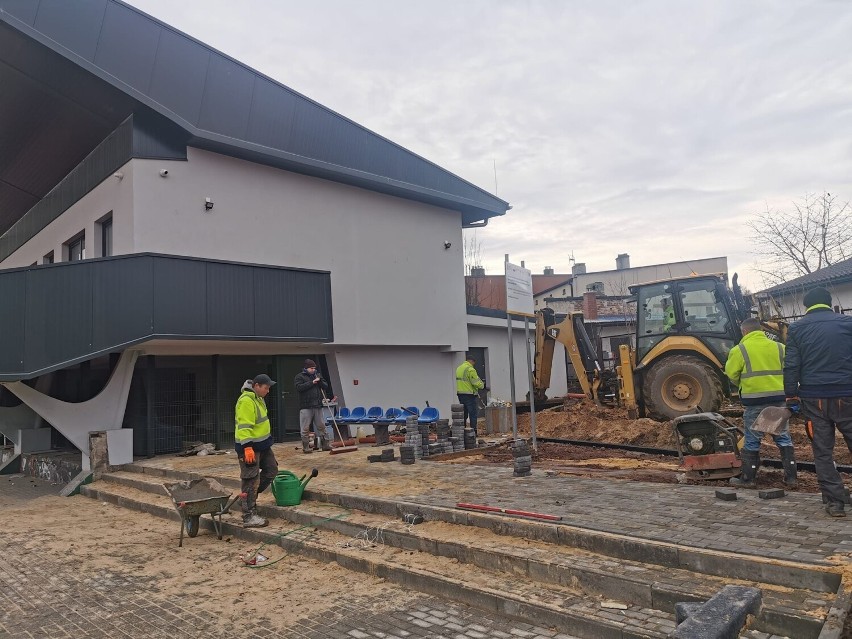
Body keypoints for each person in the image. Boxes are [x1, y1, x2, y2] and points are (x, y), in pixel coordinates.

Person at [784, 287, 852, 517]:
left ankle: (835, 502)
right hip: (847, 396)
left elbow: (792, 365)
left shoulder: (796, 329)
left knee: (823, 452)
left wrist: (791, 395)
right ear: (828, 302)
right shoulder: (847, 323)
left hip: (814, 399)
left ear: (807, 306)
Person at [724, 318, 797, 488]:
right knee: (783, 437)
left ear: (745, 332)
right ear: (761, 330)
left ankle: (748, 479)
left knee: (752, 439)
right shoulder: (780, 347)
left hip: (754, 400)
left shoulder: (739, 350)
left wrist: (744, 385)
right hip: (779, 400)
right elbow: (790, 370)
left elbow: (732, 374)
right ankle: (792, 478)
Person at [234, 374, 279, 528]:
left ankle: (247, 500)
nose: (268, 391)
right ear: (257, 385)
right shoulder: (246, 400)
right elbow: (244, 426)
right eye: (266, 388)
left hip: (263, 445)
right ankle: (248, 515)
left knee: (271, 470)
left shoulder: (258, 398)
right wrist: (247, 448)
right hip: (250, 447)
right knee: (250, 479)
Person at [294, 359, 332, 454]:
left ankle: (325, 445)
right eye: (311, 368)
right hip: (306, 406)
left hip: (318, 405)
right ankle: (306, 447)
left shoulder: (317, 375)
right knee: (305, 428)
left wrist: (320, 382)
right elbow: (299, 388)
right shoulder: (300, 376)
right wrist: (312, 382)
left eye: (314, 368)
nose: (313, 370)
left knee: (321, 426)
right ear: (306, 368)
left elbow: (325, 386)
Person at [456, 356, 485, 435]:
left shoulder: (459, 368)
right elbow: (475, 382)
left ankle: (463, 431)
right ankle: (473, 432)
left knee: (464, 413)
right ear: (472, 361)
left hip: (460, 394)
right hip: (470, 395)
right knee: (473, 413)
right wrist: (482, 385)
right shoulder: (470, 369)